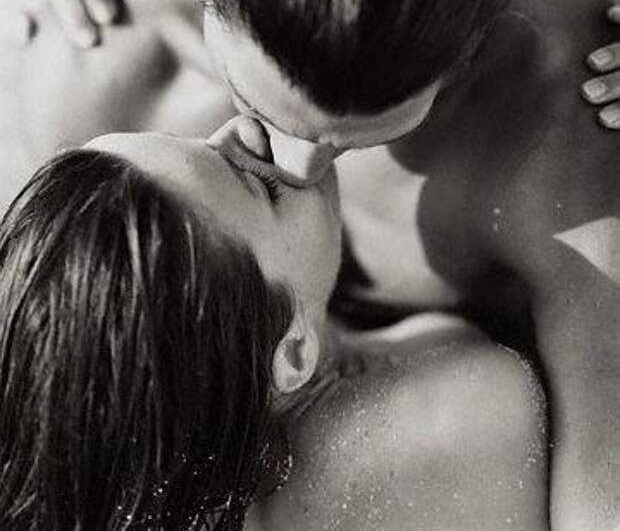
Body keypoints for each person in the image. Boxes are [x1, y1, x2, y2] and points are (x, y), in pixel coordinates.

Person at [12, 0, 620, 529]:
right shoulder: (104, 65)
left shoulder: (562, 113)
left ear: (478, 35)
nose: (299, 162)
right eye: (258, 100)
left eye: (360, 131)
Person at [0, 110, 548, 530]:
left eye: (188, 140)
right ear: (293, 354)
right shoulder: (450, 416)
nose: (240, 126)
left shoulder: (183, 460)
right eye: (260, 186)